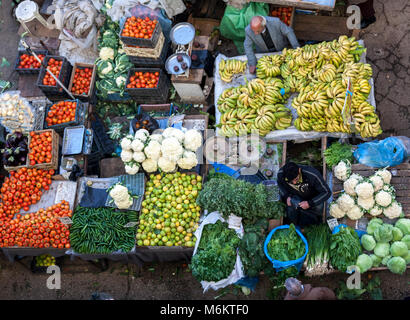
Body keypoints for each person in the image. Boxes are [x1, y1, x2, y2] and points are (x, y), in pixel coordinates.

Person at [277, 162, 331, 228]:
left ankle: (316, 224)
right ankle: (293, 226)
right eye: (290, 181)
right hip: (296, 196)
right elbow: (280, 185)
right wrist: (287, 196)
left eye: (296, 179)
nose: (294, 182)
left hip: (313, 197)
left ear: (299, 170)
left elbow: (327, 192)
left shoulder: (312, 174)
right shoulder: (281, 174)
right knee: (291, 210)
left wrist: (309, 203)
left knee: (318, 209)